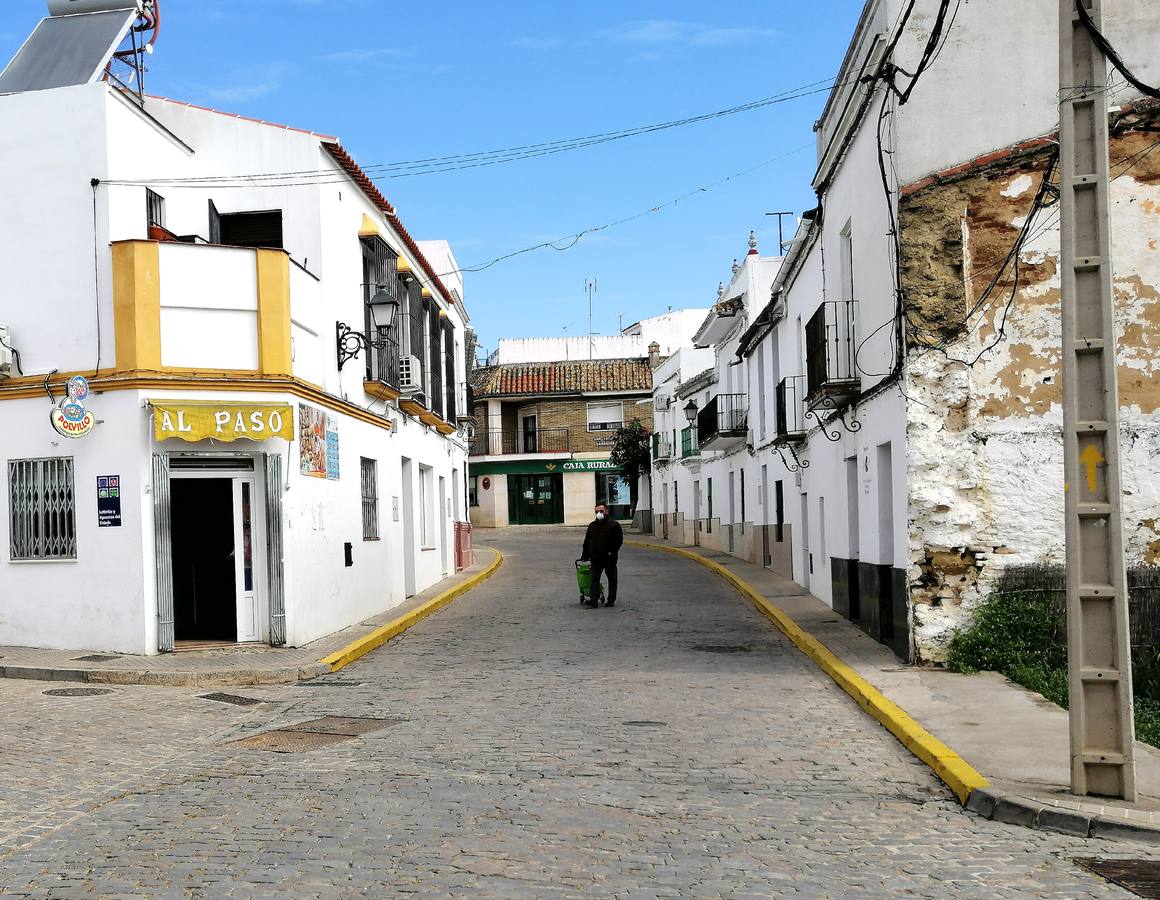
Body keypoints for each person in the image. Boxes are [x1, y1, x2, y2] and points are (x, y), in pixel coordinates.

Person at [580, 503, 623, 608]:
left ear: (606, 511)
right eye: (596, 512)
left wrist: (612, 551)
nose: (599, 513)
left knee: (612, 580)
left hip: (609, 558)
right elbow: (587, 542)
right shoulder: (592, 526)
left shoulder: (614, 525)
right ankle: (594, 600)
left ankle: (611, 600)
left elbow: (618, 540)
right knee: (594, 579)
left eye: (601, 511)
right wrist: (585, 555)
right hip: (596, 558)